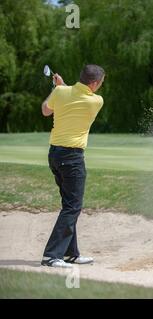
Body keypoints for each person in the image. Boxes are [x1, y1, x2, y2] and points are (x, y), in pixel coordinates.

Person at [40, 64, 105, 268]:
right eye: (101, 82)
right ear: (94, 83)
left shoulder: (60, 92)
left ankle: (70, 253)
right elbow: (77, 99)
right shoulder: (96, 101)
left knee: (69, 204)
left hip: (55, 155)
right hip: (73, 159)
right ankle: (51, 256)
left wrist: (58, 88)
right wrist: (62, 87)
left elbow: (45, 110)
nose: (101, 86)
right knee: (72, 207)